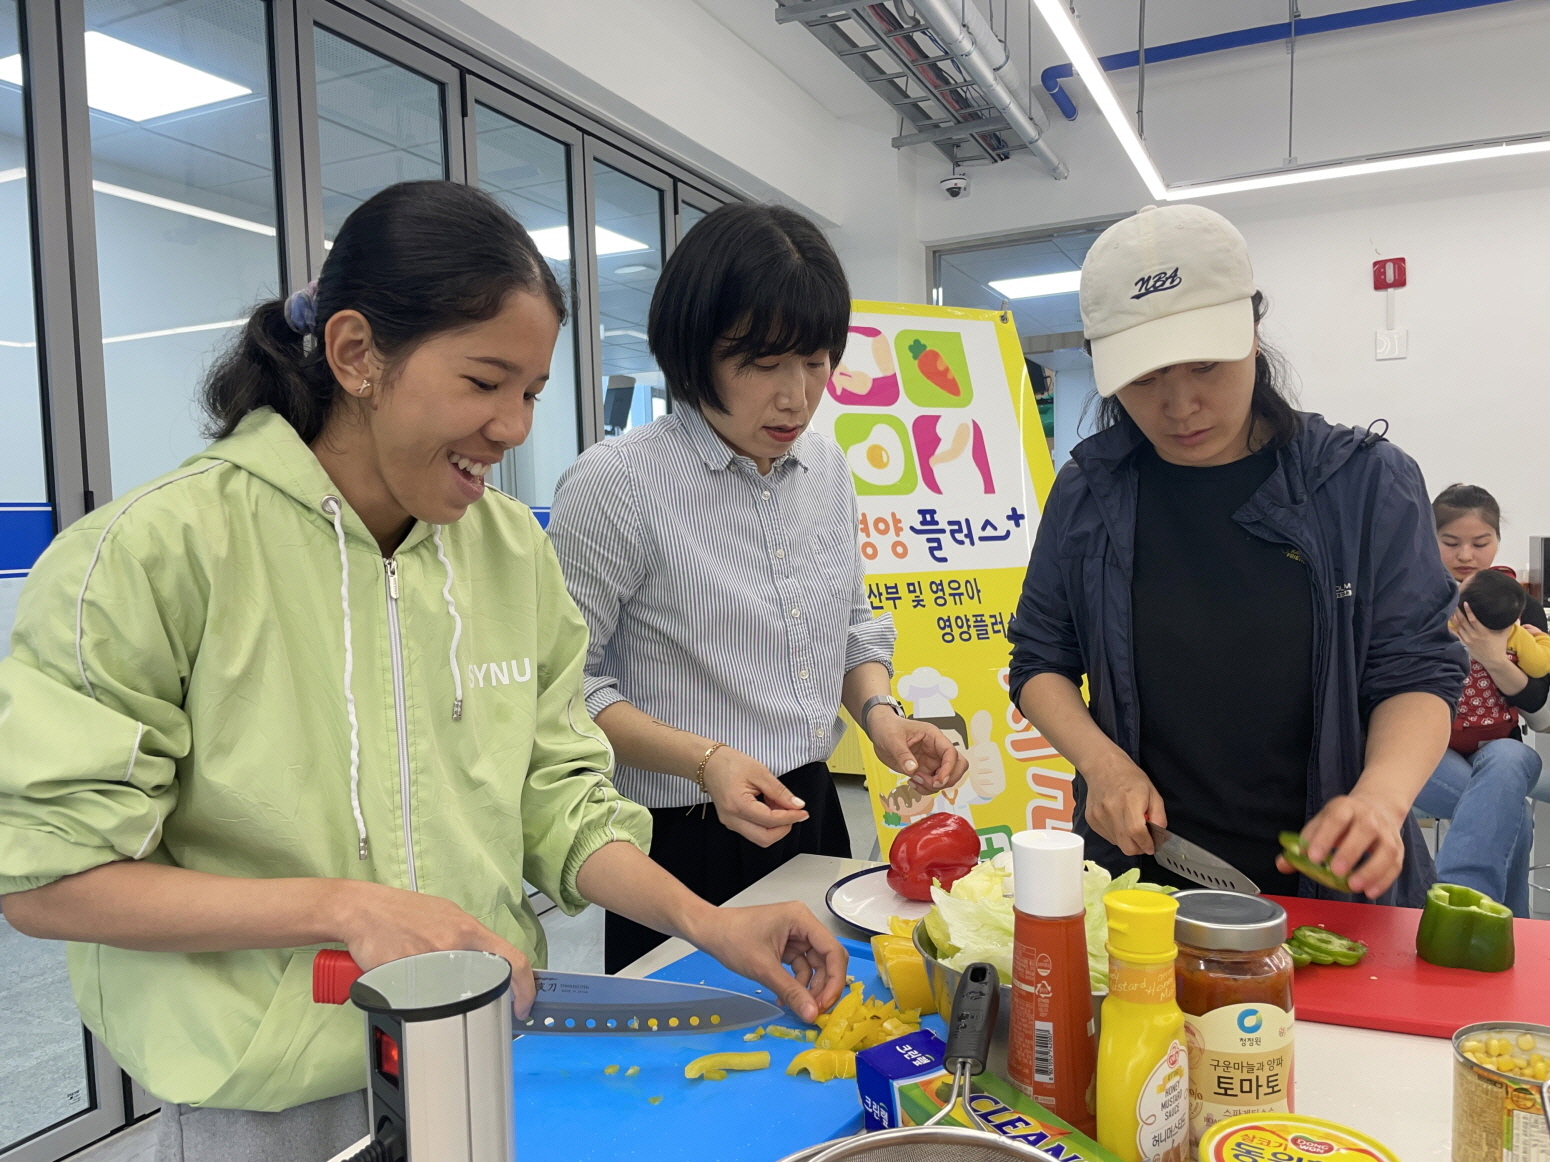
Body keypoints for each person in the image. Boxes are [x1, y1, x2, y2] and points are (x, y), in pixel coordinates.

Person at [0, 182, 846, 1162]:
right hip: (273, 1103)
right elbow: (52, 877)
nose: (514, 426)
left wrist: (706, 925)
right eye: (485, 383)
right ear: (357, 353)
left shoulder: (508, 554)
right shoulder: (158, 553)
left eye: (531, 393)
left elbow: (560, 800)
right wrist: (342, 907)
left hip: (492, 1050)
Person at [548, 203, 967, 972]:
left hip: (812, 811)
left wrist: (882, 718)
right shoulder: (616, 484)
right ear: (695, 351)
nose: (795, 397)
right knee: (699, 1040)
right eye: (763, 363)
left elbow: (851, 626)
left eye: (815, 361)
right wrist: (706, 760)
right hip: (680, 837)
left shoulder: (827, 468)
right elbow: (568, 689)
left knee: (836, 1015)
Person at [1009, 204, 1467, 905]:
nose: (1180, 405)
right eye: (1144, 378)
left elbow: (1417, 667)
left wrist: (1381, 798)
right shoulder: (1089, 491)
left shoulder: (1363, 483)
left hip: (1331, 888)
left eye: (1204, 365)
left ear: (1252, 333)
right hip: (1139, 879)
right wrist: (1102, 765)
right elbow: (1041, 658)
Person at [1414, 484, 1543, 916]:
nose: (1465, 555)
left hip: (1498, 746)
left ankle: (1455, 913)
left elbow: (1541, 712)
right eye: (1450, 542)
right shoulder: (1411, 598)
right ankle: (1496, 924)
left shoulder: (1517, 602)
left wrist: (1491, 656)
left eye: (1480, 542)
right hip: (1425, 743)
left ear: (1498, 542)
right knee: (1514, 817)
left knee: (1511, 757)